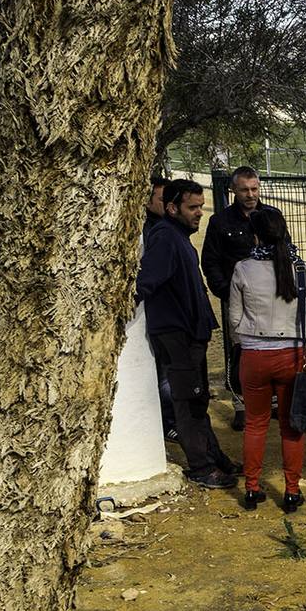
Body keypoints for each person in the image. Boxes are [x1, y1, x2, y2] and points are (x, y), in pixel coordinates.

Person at [136, 179, 238, 489]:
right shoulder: (166, 238)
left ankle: (216, 458)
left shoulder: (177, 236)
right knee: (187, 403)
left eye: (201, 207)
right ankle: (202, 468)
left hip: (191, 333)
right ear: (172, 208)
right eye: (192, 207)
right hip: (177, 335)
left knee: (198, 399)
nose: (199, 214)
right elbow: (145, 282)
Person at [229, 209, 306, 513]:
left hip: (254, 355)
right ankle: (290, 491)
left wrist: (246, 345)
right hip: (292, 356)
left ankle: (251, 489)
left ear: (256, 235)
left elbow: (235, 321)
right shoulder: (302, 269)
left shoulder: (243, 269)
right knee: (292, 425)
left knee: (255, 423)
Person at [203, 166, 281, 431]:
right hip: (236, 299)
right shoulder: (220, 222)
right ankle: (240, 404)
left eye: (254, 189)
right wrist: (225, 292)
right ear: (233, 191)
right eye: (245, 190)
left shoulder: (272, 215)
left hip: (270, 299)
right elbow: (210, 261)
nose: (250, 195)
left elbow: (285, 249)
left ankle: (272, 401)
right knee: (238, 351)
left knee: (272, 346)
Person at [143, 176, 177, 443]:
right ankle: (169, 423)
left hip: (176, 318)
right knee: (165, 376)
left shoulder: (169, 229)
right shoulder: (154, 233)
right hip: (164, 317)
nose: (166, 205)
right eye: (161, 200)